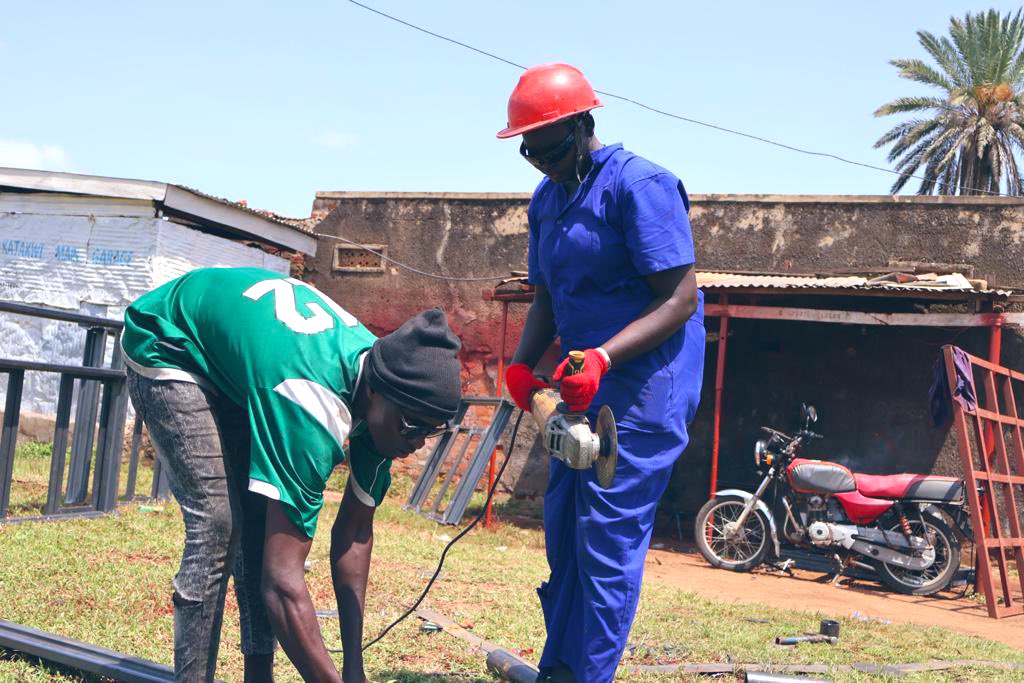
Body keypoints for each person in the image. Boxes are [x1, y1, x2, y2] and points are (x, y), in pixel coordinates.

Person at [121, 266, 462, 683]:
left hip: (250, 360)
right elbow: (281, 582)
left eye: (433, 430)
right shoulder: (311, 406)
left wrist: (354, 670)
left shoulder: (392, 395)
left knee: (262, 522)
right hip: (170, 339)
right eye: (414, 427)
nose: (419, 442)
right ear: (374, 392)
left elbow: (353, 534)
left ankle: (257, 675)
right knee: (220, 525)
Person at [498, 63, 705, 683]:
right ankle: (561, 668)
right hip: (582, 386)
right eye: (529, 153)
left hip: (644, 390)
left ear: (584, 125)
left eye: (551, 150)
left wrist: (607, 357)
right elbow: (547, 299)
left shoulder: (639, 186)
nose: (542, 163)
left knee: (606, 545)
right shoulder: (548, 199)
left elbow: (680, 298)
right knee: (564, 533)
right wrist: (519, 364)